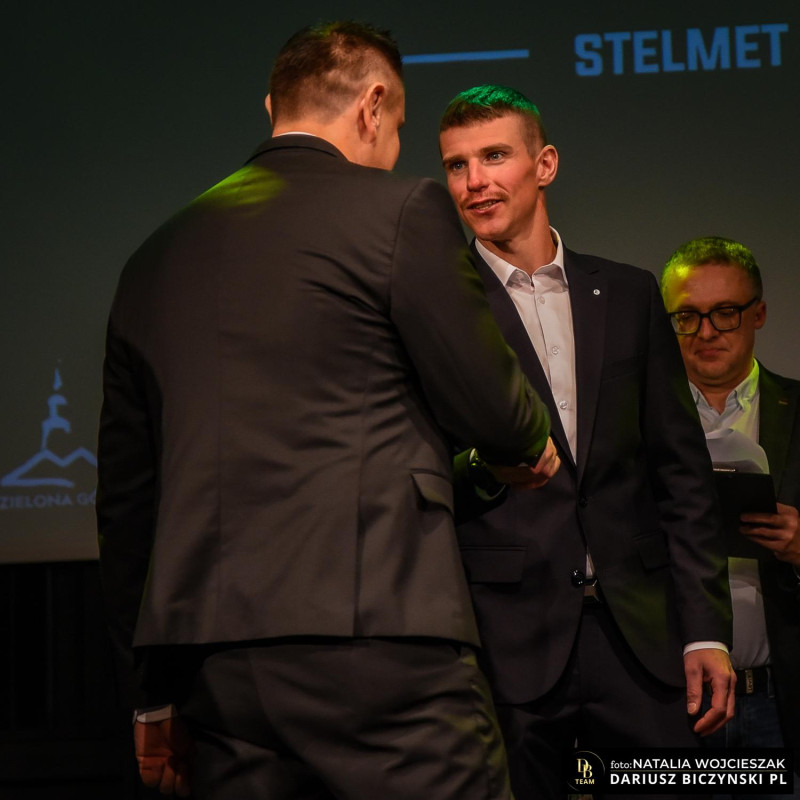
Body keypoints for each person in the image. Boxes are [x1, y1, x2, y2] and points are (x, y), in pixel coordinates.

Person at [96, 27, 559, 800]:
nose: (395, 146)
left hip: (215, 669)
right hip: (381, 643)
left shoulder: (153, 257)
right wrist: (521, 444)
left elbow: (125, 507)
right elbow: (500, 414)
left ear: (272, 107)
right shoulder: (400, 209)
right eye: (401, 125)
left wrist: (151, 694)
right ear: (373, 106)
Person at [438, 85, 735, 799]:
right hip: (508, 644)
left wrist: (705, 630)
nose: (475, 181)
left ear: (544, 164)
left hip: (641, 639)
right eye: (456, 165)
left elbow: (681, 474)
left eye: (494, 156)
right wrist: (485, 467)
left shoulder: (628, 294)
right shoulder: (440, 303)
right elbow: (416, 471)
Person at [661, 236, 800, 797]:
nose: (706, 332)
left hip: (780, 703)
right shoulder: (634, 424)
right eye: (687, 317)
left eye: (725, 312)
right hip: (673, 700)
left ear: (758, 313)